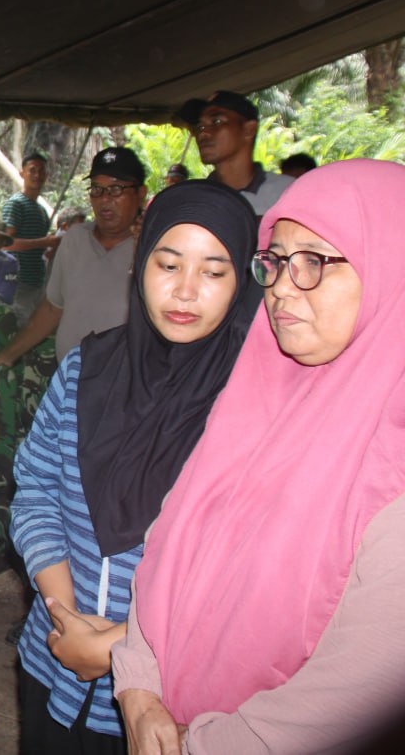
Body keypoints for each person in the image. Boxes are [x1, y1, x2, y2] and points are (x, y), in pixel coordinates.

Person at [113, 160, 405, 754]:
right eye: (275, 261)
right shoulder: (259, 397)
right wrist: (139, 687)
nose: (281, 287)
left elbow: (361, 685)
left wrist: (197, 745)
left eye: (313, 261)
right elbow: (170, 540)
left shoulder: (391, 462)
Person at [10, 182, 256, 753]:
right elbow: (37, 489)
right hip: (52, 657)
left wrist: (119, 645)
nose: (185, 290)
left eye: (213, 272)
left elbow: (249, 574)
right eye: (168, 265)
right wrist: (67, 615)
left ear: (243, 281)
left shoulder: (254, 408)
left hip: (167, 700)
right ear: (140, 266)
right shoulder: (87, 368)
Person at [0, 147, 146, 368]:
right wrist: (7, 355)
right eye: (97, 189)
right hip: (68, 379)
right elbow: (52, 308)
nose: (104, 199)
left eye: (116, 189)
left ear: (140, 194)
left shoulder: (155, 249)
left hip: (124, 381)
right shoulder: (75, 239)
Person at [176, 90, 292, 218]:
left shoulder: (288, 193)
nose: (203, 133)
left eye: (216, 122)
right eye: (200, 127)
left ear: (249, 129)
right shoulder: (194, 201)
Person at [2, 153, 58, 324]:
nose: (37, 175)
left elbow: (42, 249)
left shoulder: (41, 210)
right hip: (19, 281)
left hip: (37, 281)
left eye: (41, 171)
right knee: (19, 326)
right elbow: (5, 244)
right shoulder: (16, 204)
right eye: (32, 170)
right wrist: (45, 242)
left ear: (46, 176)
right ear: (22, 173)